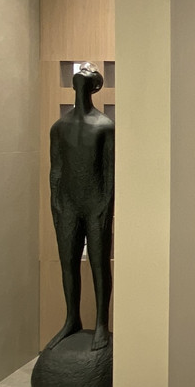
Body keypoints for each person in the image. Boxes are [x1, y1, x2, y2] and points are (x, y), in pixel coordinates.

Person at [45, 65, 114, 352]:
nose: (82, 72)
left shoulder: (105, 126)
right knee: (68, 263)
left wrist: (105, 206)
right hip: (68, 205)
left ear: (95, 85)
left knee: (99, 263)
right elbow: (56, 170)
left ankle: (101, 323)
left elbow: (110, 174)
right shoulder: (59, 127)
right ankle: (71, 318)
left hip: (95, 204)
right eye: (80, 71)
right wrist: (56, 204)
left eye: (88, 72)